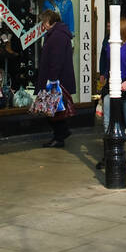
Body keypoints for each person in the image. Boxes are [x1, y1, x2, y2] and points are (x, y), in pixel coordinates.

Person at [96, 17, 126, 168]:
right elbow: (108, 62)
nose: (110, 28)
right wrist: (104, 74)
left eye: (113, 26)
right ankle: (107, 156)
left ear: (122, 29)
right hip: (111, 85)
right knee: (107, 123)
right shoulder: (110, 43)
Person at [35, 9, 76, 148]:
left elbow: (56, 60)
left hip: (54, 80)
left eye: (43, 22)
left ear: (49, 21)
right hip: (56, 78)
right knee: (53, 110)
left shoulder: (57, 35)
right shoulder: (58, 33)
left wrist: (52, 79)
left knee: (50, 110)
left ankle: (61, 134)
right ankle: (60, 135)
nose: (43, 25)